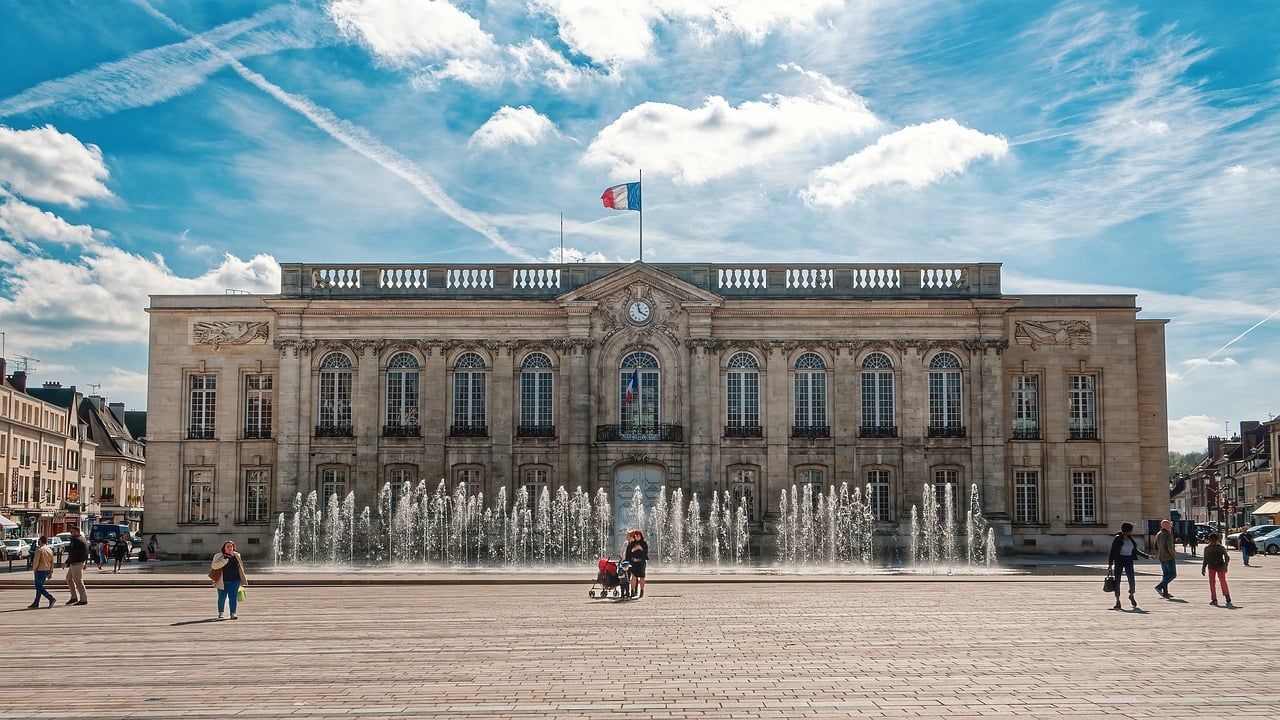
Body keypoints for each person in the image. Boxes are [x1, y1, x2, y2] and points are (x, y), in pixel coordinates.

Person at [1107, 522, 1152, 610]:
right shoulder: (1118, 539)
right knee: (1117, 580)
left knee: (1131, 579)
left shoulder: (1131, 539)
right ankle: (1117, 600)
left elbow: (1135, 551)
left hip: (1128, 560)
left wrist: (1147, 556)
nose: (1132, 532)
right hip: (1119, 560)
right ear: (1127, 531)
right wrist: (1110, 563)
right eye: (1131, 530)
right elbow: (1112, 551)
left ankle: (1131, 594)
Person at [210, 539, 248, 619]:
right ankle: (221, 613)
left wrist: (242, 578)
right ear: (224, 548)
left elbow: (240, 566)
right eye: (227, 546)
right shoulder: (219, 556)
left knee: (233, 597)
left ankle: (233, 613)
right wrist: (224, 561)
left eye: (231, 546)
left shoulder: (237, 555)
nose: (229, 548)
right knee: (221, 597)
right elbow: (214, 566)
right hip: (222, 580)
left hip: (235, 580)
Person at [1201, 533, 1233, 607]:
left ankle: (1214, 599)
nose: (1213, 542)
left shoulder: (1207, 548)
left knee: (1212, 583)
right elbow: (1227, 557)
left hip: (1212, 566)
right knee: (1222, 582)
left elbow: (1205, 559)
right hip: (1220, 566)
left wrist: (1203, 568)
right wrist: (1225, 566)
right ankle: (1227, 596)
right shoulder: (1221, 547)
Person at [29, 536, 57, 609]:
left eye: (39, 541)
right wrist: (51, 572)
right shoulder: (49, 550)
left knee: (38, 586)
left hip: (39, 570)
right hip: (46, 569)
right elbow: (52, 562)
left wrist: (34, 569)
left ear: (40, 541)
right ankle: (36, 602)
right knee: (39, 586)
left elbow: (36, 561)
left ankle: (51, 598)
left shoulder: (39, 549)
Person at [64, 525, 89, 605]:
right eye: (71, 532)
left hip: (76, 563)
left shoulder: (77, 541)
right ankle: (74, 597)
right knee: (68, 578)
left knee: (78, 581)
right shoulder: (81, 539)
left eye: (72, 532)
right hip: (76, 562)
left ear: (77, 532)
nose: (71, 533)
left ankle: (83, 599)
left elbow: (74, 553)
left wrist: (67, 562)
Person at [1153, 519, 1177, 599]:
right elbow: (1170, 547)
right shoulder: (1168, 535)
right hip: (1168, 557)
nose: (1171, 527)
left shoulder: (1158, 534)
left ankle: (1165, 592)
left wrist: (1161, 551)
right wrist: (1173, 555)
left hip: (1161, 556)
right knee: (1173, 574)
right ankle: (1159, 587)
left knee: (1166, 575)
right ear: (1166, 526)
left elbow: (1155, 545)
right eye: (1170, 525)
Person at [625, 529, 648, 599]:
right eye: (635, 536)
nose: (637, 537)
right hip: (633, 562)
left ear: (640, 536)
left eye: (638, 536)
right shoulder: (632, 543)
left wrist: (641, 549)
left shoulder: (644, 543)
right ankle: (633, 590)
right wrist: (633, 550)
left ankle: (642, 590)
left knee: (642, 577)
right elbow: (628, 553)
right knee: (634, 576)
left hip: (641, 562)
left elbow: (645, 553)